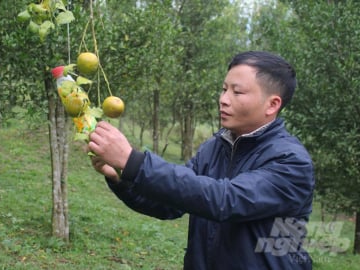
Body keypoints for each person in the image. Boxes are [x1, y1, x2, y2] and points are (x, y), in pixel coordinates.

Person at [88, 51, 315, 270]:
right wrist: (122, 177)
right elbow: (171, 203)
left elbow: (224, 200)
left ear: (272, 104)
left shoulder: (291, 162)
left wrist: (134, 162)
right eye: (224, 89)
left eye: (237, 92)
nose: (223, 100)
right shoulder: (216, 147)